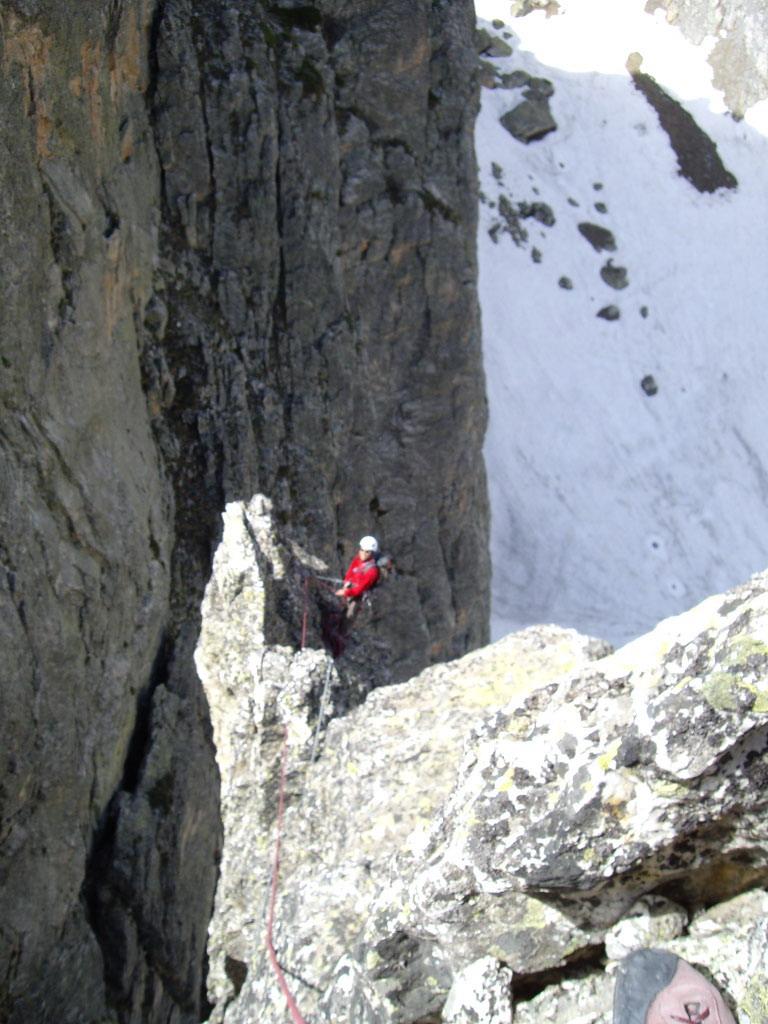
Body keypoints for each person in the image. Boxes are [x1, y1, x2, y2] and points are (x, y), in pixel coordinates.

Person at [335, 536, 381, 621]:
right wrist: (347, 582)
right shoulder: (358, 559)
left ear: (372, 553)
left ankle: (343, 628)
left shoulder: (372, 571)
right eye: (362, 550)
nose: (363, 554)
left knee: (349, 616)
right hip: (351, 588)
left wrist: (345, 592)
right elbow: (350, 572)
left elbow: (360, 589)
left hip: (359, 596)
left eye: (367, 552)